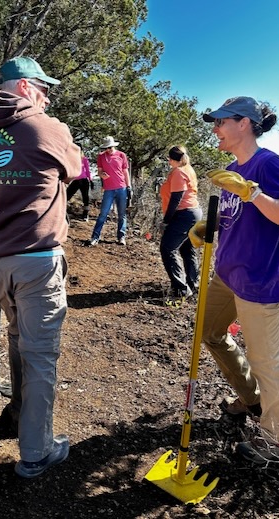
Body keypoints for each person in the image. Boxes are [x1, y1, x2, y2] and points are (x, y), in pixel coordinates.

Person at [0, 56, 81, 478]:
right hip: (37, 260)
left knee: (17, 336)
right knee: (41, 354)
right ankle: (36, 452)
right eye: (43, 89)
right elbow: (77, 170)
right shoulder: (48, 128)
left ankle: (17, 414)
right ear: (25, 87)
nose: (46, 97)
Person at [189, 96, 279, 469]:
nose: (215, 129)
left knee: (267, 363)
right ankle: (250, 398)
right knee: (208, 332)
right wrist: (207, 228)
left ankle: (274, 442)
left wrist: (253, 193)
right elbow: (235, 219)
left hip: (260, 282)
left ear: (244, 123)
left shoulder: (269, 164)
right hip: (227, 274)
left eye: (221, 122)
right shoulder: (230, 169)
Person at [159, 146, 202, 307]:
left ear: (172, 159)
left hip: (184, 215)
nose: (168, 161)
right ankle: (193, 285)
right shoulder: (187, 169)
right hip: (192, 213)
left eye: (169, 159)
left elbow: (176, 198)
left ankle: (181, 289)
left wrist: (166, 221)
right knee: (186, 249)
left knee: (168, 248)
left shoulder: (178, 172)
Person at [88, 135, 131, 246]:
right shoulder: (101, 156)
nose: (108, 150)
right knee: (103, 213)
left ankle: (121, 236)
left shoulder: (121, 155)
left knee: (122, 214)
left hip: (121, 187)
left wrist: (129, 187)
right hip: (108, 189)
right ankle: (95, 237)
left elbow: (125, 172)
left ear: (113, 146)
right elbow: (99, 171)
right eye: (106, 148)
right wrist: (103, 175)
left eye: (110, 147)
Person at [67, 149, 93, 221]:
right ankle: (62, 212)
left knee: (85, 197)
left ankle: (85, 214)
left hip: (84, 180)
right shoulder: (72, 159)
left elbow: (87, 170)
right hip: (76, 180)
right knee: (67, 195)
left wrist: (90, 180)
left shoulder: (84, 159)